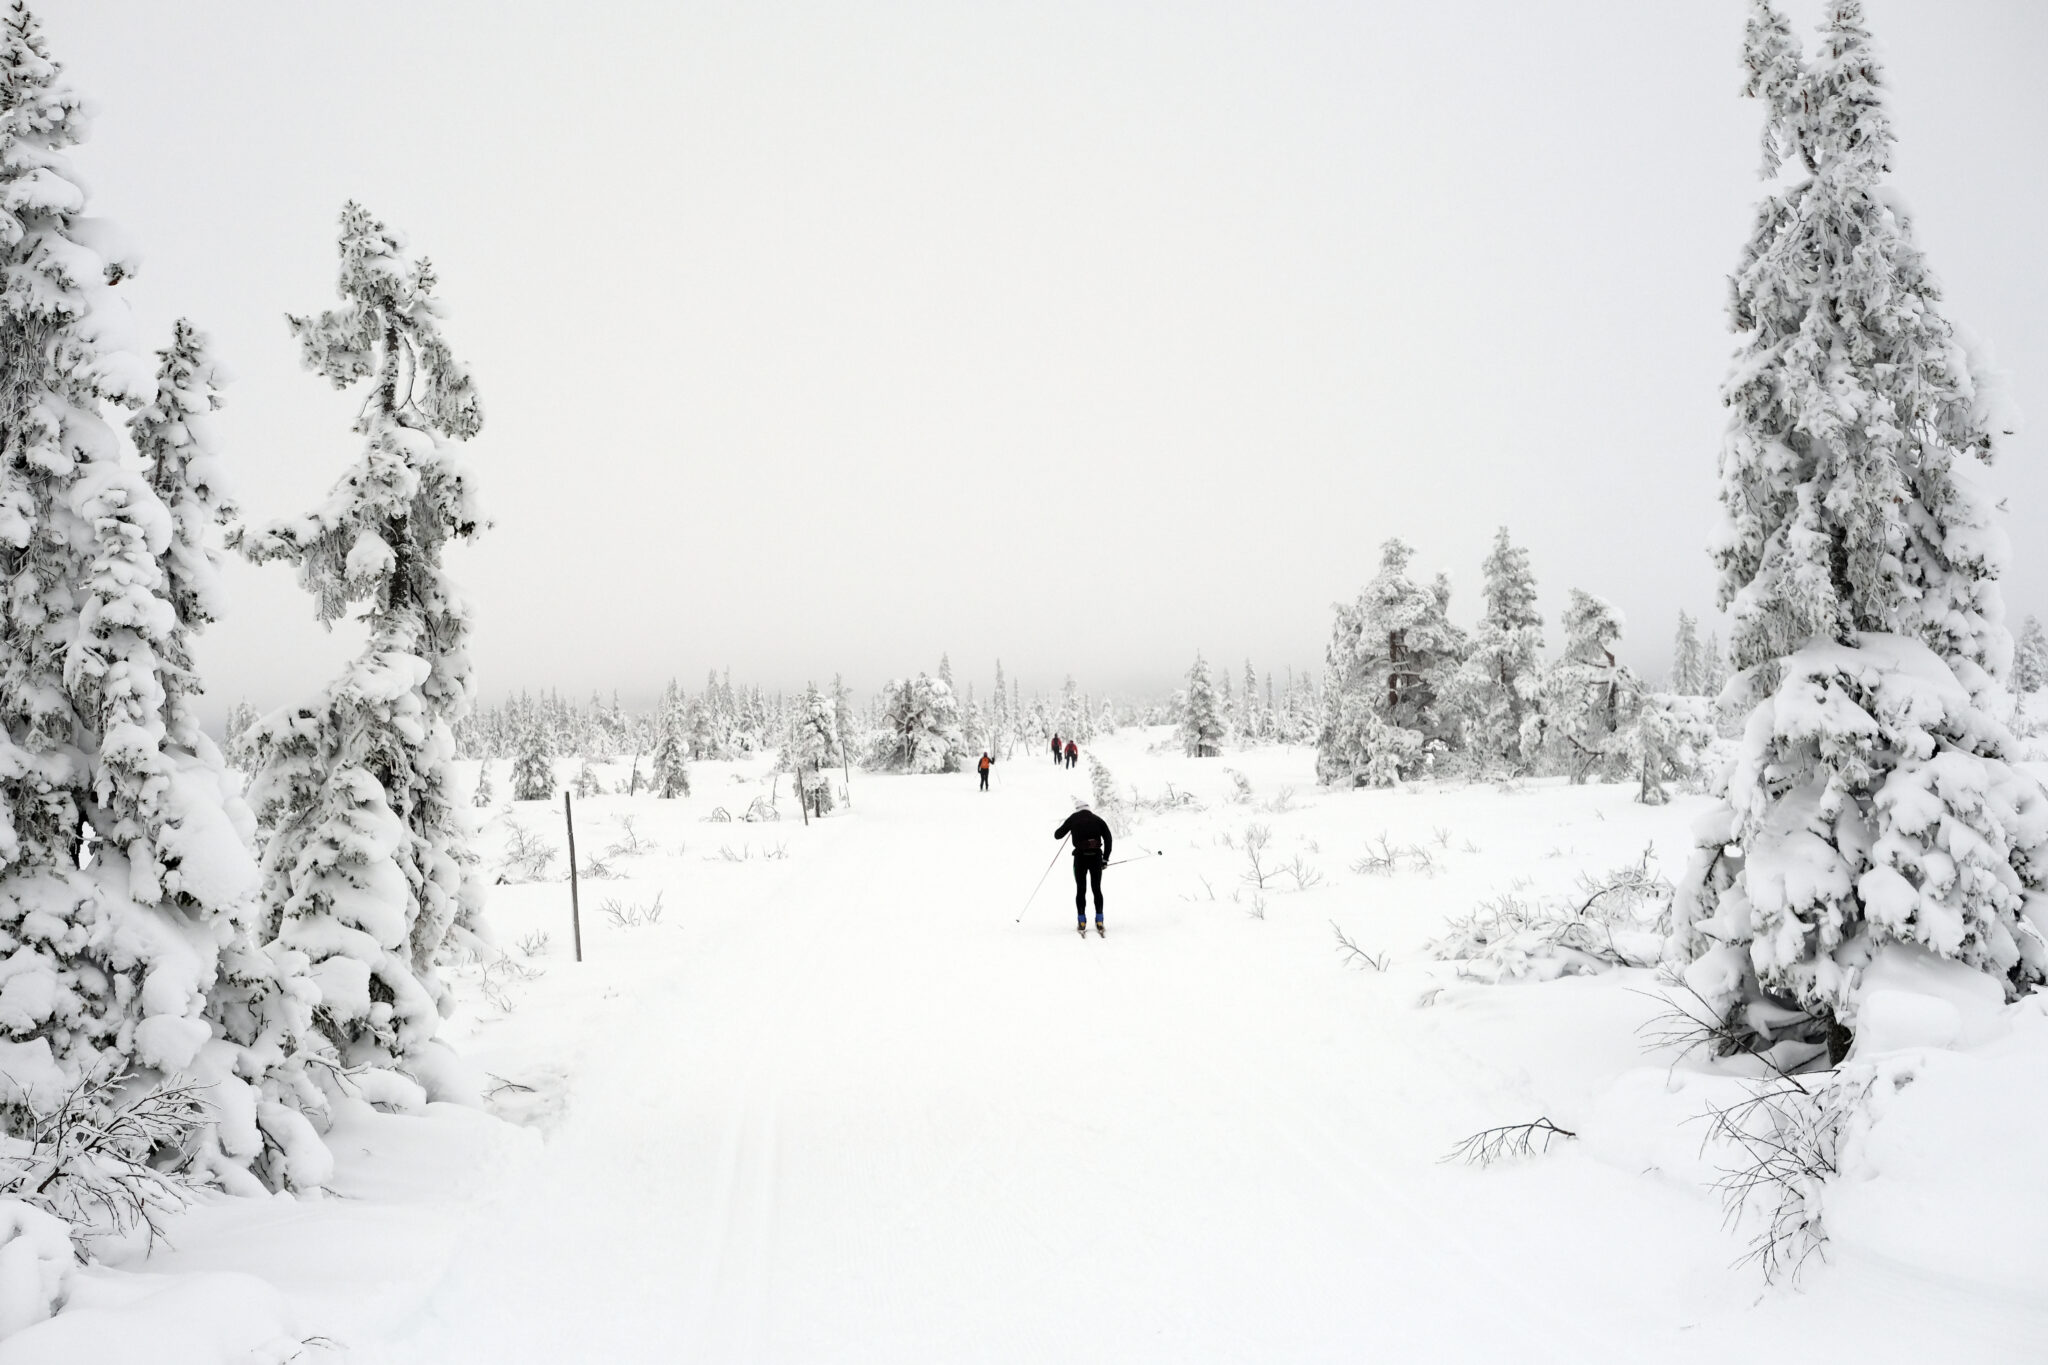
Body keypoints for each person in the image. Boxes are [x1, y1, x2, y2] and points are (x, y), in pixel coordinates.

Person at [1053, 801, 1113, 936]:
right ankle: (1099, 920)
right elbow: (1108, 839)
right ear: (1088, 809)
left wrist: (1070, 827)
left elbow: (1057, 835)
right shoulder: (1098, 820)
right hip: (1096, 858)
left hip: (1080, 859)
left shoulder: (1073, 819)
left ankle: (1081, 921)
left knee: (1081, 889)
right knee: (1096, 889)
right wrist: (1105, 859)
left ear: (1077, 810)